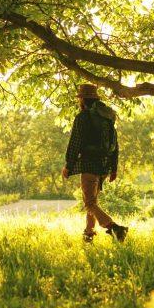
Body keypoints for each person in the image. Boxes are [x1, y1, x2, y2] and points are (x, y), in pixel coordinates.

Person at [62, 84, 128, 243]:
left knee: (90, 203)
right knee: (92, 202)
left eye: (80, 99)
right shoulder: (107, 117)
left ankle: (114, 228)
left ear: (83, 100)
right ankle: (88, 234)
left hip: (89, 165)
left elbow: (75, 143)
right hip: (104, 166)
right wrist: (114, 168)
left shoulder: (83, 117)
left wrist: (68, 166)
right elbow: (115, 144)